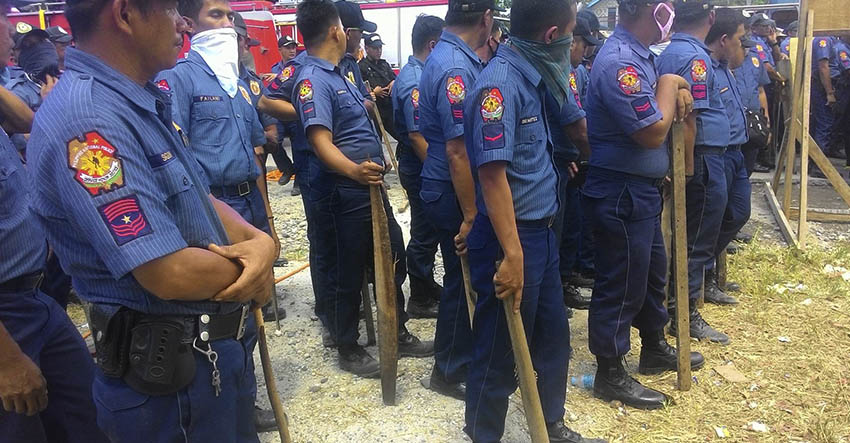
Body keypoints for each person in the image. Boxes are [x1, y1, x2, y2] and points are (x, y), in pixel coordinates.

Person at [26, 0, 278, 438]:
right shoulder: (89, 120)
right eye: (168, 9)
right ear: (125, 15)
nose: (183, 22)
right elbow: (169, 272)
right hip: (168, 381)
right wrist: (251, 266)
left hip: (208, 360)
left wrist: (262, 243)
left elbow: (194, 196)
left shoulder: (136, 99)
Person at [462, 1, 606, 441]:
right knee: (497, 348)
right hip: (512, 236)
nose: (573, 45)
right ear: (552, 36)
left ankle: (551, 423)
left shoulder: (537, 74)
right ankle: (484, 433)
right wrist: (511, 253)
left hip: (541, 233)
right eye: (569, 35)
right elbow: (491, 174)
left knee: (553, 338)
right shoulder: (499, 87)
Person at [154, 0, 279, 432]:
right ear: (189, 23)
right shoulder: (180, 78)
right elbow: (178, 152)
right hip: (211, 206)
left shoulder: (239, 82)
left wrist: (263, 216)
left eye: (230, 16)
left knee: (248, 312)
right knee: (223, 312)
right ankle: (230, 405)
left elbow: (256, 148)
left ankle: (246, 398)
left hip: (246, 201)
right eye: (215, 16)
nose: (226, 24)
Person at [292, 0, 433, 377]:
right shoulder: (312, 80)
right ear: (336, 31)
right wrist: (355, 170)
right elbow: (321, 143)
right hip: (346, 191)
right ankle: (348, 345)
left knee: (391, 255)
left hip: (368, 186)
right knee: (348, 270)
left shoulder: (340, 74)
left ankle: (396, 328)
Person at [583, 0, 704, 410]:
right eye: (662, 5)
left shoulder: (641, 56)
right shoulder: (620, 62)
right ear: (645, 8)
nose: (669, 13)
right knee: (622, 281)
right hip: (620, 191)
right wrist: (670, 84)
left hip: (643, 187)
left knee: (653, 273)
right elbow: (651, 131)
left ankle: (653, 345)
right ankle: (610, 371)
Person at [0, 3, 107, 442]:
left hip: (36, 297)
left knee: (88, 415)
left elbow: (35, 124)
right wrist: (6, 361)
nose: (10, 35)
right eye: (1, 24)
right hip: (6, 318)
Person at [417, 0, 493, 399]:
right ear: (485, 20)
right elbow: (458, 150)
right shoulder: (455, 68)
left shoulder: (447, 55)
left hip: (447, 183)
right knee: (461, 276)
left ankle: (454, 360)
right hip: (452, 188)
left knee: (459, 274)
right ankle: (449, 369)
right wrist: (471, 214)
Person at [656, 0, 732, 344]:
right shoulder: (696, 57)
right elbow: (689, 120)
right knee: (696, 241)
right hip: (699, 157)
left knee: (685, 239)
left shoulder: (670, 51)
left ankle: (678, 307)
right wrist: (685, 170)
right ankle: (683, 313)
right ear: (711, 18)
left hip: (693, 156)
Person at [390, 16, 445, 323]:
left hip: (424, 162)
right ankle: (420, 297)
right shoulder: (415, 80)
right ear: (432, 45)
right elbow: (416, 135)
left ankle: (426, 284)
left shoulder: (423, 73)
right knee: (424, 230)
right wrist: (438, 171)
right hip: (419, 162)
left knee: (430, 228)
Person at [703, 8, 751, 307]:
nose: (743, 45)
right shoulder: (705, 67)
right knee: (712, 219)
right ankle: (704, 277)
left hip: (736, 154)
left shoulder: (723, 67)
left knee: (739, 211)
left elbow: (739, 59)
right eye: (739, 39)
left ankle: (708, 271)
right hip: (717, 155)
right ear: (723, 39)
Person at [558, 14, 599, 309]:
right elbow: (567, 123)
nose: (585, 51)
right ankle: (560, 284)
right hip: (561, 162)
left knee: (571, 225)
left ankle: (565, 279)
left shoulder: (572, 71)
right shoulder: (557, 72)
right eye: (583, 44)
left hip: (570, 161)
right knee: (561, 230)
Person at [735, 21, 772, 175]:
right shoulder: (726, 62)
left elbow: (761, 90)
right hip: (736, 119)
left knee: (748, 166)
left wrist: (766, 120)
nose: (746, 50)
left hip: (754, 120)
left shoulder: (755, 59)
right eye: (743, 46)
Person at [268, 35, 299, 189]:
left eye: (293, 47)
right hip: (279, 113)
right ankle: (287, 168)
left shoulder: (300, 65)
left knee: (299, 147)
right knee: (273, 142)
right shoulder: (275, 68)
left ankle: (298, 182)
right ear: (280, 50)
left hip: (294, 111)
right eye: (288, 47)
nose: (292, 50)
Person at [334, 0, 375, 109]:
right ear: (348, 33)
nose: (361, 37)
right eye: (360, 32)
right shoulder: (307, 66)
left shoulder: (350, 63)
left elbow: (368, 100)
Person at [359, 33, 398, 140]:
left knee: (402, 136)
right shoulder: (361, 67)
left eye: (380, 47)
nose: (379, 51)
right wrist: (373, 92)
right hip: (375, 111)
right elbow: (358, 90)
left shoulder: (384, 65)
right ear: (367, 48)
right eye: (375, 48)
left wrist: (394, 82)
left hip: (388, 108)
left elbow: (396, 79)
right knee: (376, 142)